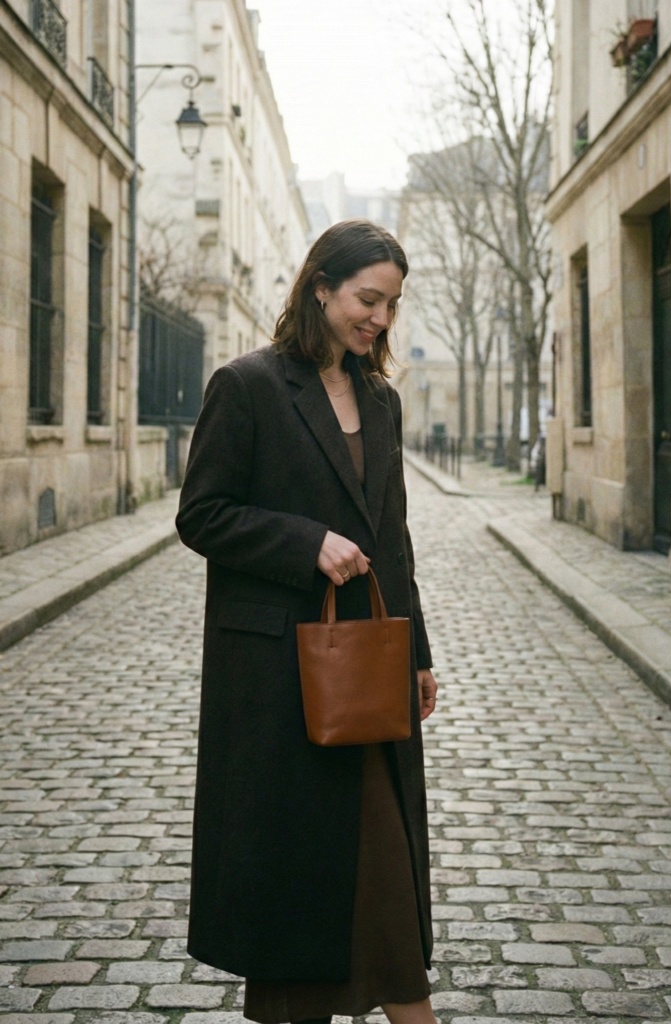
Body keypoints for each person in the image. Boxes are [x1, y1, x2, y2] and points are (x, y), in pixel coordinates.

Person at [176, 219, 438, 1024]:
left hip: (368, 666)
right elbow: (203, 515)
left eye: (391, 304)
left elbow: (393, 541)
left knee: (385, 865)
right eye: (367, 299)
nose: (379, 320)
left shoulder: (381, 400)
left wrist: (418, 654)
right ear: (319, 286)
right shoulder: (248, 384)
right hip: (277, 682)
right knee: (295, 881)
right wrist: (305, 543)